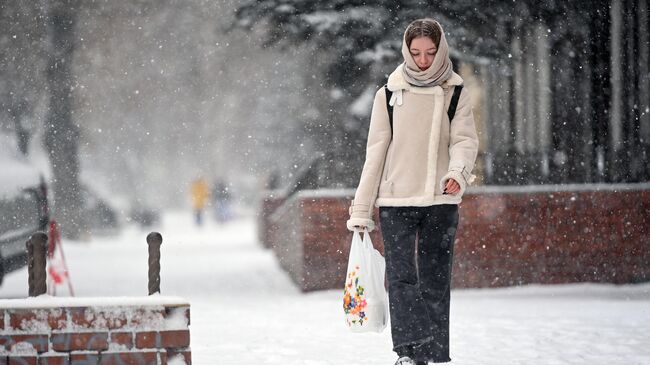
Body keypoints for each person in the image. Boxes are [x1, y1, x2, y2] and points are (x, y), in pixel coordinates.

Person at [346, 18, 479, 365]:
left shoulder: (456, 91)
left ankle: (434, 355)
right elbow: (375, 153)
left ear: (441, 50)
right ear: (406, 50)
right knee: (403, 280)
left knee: (436, 281)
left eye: (430, 53)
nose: (423, 60)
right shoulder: (388, 94)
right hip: (396, 201)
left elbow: (465, 141)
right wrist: (361, 211)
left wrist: (457, 174)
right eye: (416, 53)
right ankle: (409, 354)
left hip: (441, 200)